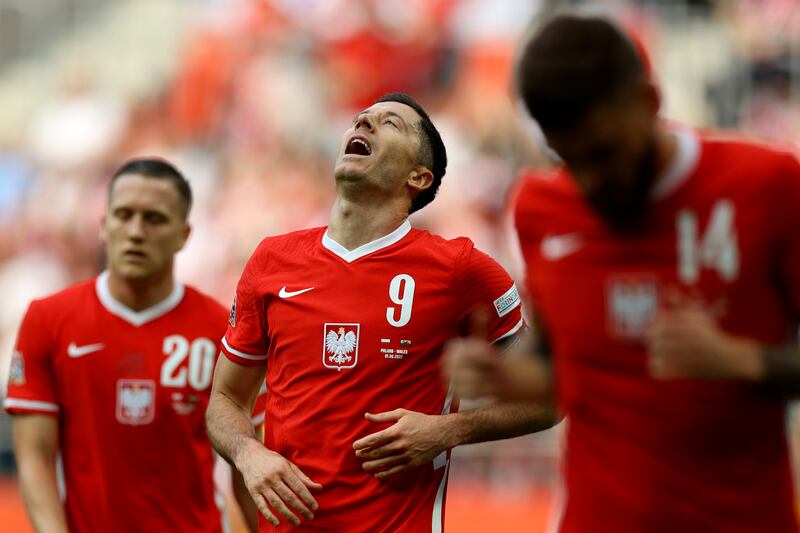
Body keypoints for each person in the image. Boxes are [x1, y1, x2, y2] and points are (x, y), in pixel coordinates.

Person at [444, 13, 800, 533]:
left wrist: (742, 359)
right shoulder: (540, 209)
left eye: (604, 154)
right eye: (570, 160)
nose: (591, 183)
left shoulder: (768, 187)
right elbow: (559, 365)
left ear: (649, 102)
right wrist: (507, 376)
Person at [206, 92, 554, 532]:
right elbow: (224, 399)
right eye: (361, 118)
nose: (365, 123)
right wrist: (247, 454)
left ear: (419, 176)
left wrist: (448, 431)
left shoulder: (459, 269)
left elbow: (553, 394)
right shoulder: (271, 260)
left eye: (391, 123)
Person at [4, 158, 252, 532]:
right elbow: (34, 455)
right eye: (124, 215)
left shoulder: (222, 331)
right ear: (104, 226)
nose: (136, 232)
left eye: (154, 219)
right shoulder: (48, 321)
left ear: (184, 234)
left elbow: (248, 461)